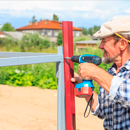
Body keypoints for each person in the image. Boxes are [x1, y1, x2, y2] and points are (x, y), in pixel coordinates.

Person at [71, 16, 130, 130]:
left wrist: (96, 73)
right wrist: (85, 86)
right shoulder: (111, 73)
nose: (100, 46)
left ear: (122, 44)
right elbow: (101, 111)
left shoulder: (105, 76)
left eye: (104, 41)